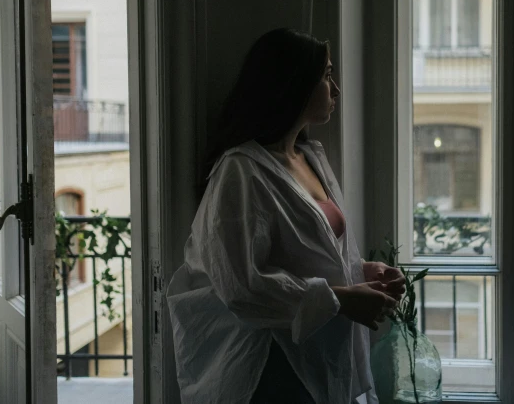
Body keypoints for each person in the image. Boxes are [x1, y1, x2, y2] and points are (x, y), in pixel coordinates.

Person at [167, 28, 406, 404]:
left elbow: (308, 252)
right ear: (292, 84)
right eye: (326, 76)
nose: (336, 89)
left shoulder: (310, 157)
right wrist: (342, 298)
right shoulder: (240, 171)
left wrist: (362, 270)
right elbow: (243, 284)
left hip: (317, 355)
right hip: (271, 362)